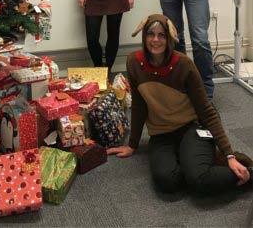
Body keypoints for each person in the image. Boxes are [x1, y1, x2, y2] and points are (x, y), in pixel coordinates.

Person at [107, 14, 252, 195]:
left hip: (191, 127)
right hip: (161, 134)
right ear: (144, 37)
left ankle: (246, 173)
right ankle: (197, 163)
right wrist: (132, 145)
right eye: (150, 34)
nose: (155, 40)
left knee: (199, 180)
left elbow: (207, 111)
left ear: (169, 38)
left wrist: (229, 155)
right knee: (167, 181)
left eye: (162, 35)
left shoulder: (183, 64)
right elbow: (138, 106)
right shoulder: (134, 62)